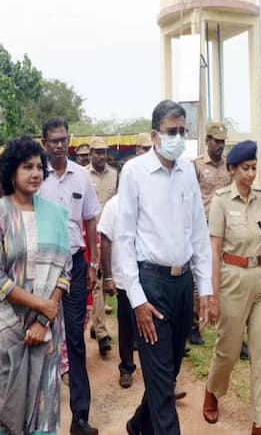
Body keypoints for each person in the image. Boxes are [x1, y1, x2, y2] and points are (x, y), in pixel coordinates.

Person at [0, 137, 71, 434]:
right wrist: (42, 307)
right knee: (8, 410)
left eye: (39, 167)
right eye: (27, 167)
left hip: (45, 329)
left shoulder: (55, 214)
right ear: (12, 172)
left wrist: (44, 318)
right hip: (6, 328)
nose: (35, 173)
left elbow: (66, 268)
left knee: (44, 406)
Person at [116, 100, 212, 435]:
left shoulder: (187, 171)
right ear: (155, 136)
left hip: (183, 283)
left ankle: (137, 424)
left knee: (166, 373)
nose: (178, 138)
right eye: (171, 132)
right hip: (150, 284)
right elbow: (123, 239)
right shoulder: (134, 173)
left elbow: (198, 231)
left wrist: (206, 289)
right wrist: (138, 300)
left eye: (183, 131)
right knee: (162, 388)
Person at [202, 140, 261, 435]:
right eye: (245, 168)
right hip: (232, 279)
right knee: (228, 351)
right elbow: (214, 250)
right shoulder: (221, 201)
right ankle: (212, 390)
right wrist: (213, 298)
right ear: (232, 169)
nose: (250, 174)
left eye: (254, 168)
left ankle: (260, 422)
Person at [39, 118, 100, 435]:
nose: (59, 145)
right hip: (43, 266)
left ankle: (80, 416)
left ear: (69, 141)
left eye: (64, 139)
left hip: (75, 264)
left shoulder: (82, 177)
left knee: (75, 339)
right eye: (53, 140)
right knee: (41, 337)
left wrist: (92, 264)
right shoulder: (36, 177)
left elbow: (90, 220)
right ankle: (39, 415)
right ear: (44, 143)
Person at [98, 133, 152, 389]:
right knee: (127, 324)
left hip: (150, 274)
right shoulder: (113, 206)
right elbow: (105, 241)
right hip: (122, 276)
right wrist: (108, 276)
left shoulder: (150, 202)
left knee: (152, 323)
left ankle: (157, 373)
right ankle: (126, 367)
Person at [191, 122, 232, 347]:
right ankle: (196, 325)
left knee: (226, 275)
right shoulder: (196, 166)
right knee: (200, 276)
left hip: (226, 227)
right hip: (204, 227)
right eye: (216, 141)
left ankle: (227, 325)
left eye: (223, 141)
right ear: (207, 141)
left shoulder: (230, 166)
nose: (220, 145)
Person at [87, 136, 118, 355]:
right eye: (97, 152)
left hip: (109, 234)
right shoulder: (82, 175)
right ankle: (102, 332)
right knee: (97, 282)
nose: (100, 155)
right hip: (90, 234)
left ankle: (93, 323)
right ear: (90, 154)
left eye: (103, 152)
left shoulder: (114, 175)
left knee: (107, 277)